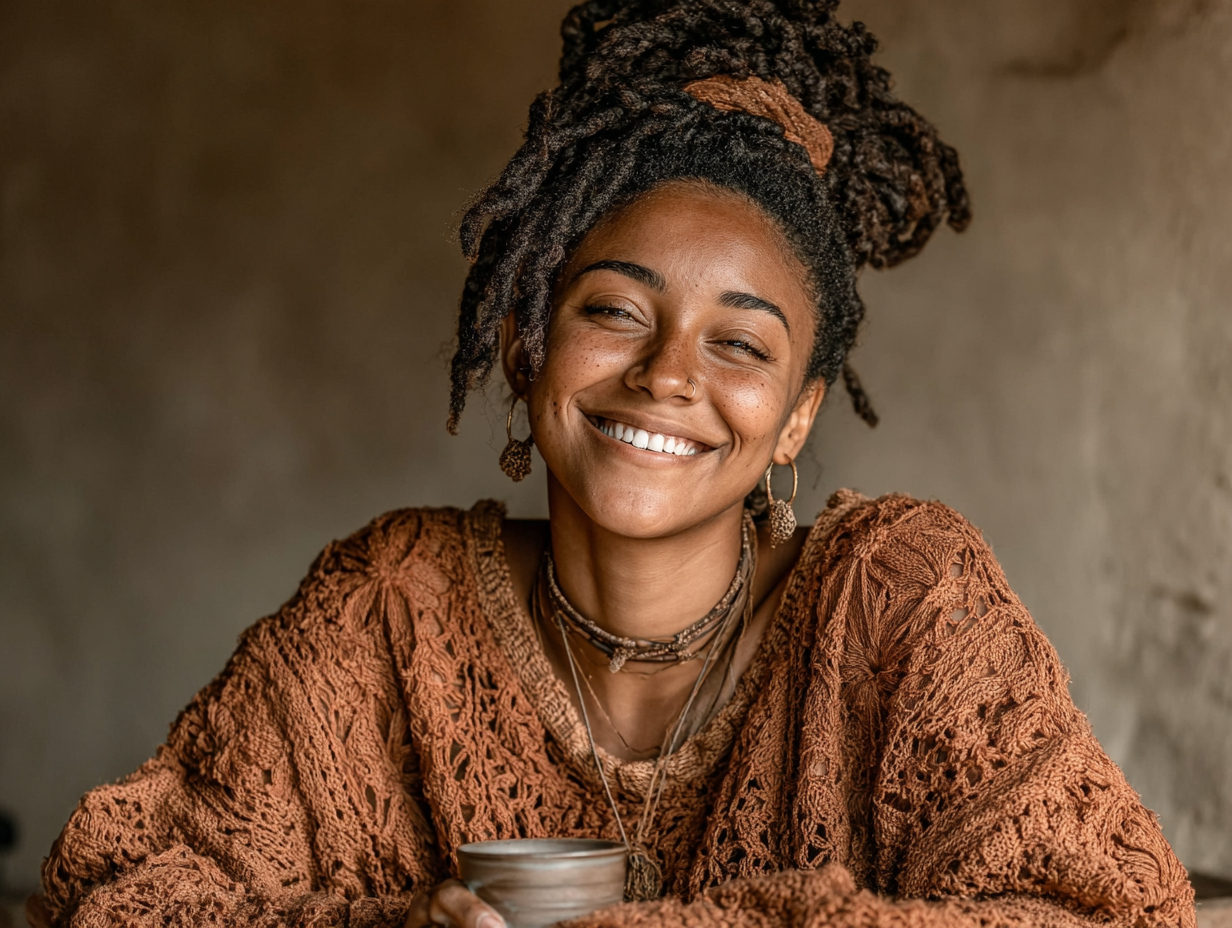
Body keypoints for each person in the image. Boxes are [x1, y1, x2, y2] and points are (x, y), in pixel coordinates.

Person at [33, 2, 1196, 927]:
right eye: (614, 311)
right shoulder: (388, 612)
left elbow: (1105, 910)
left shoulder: (897, 602)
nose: (667, 375)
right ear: (524, 341)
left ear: (794, 417)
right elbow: (111, 889)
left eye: (738, 342)